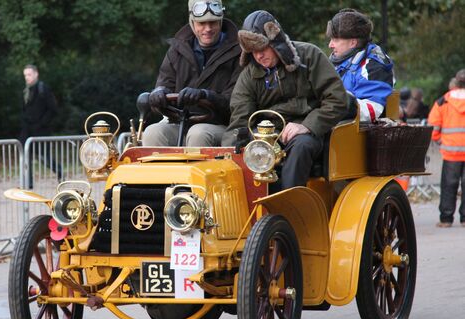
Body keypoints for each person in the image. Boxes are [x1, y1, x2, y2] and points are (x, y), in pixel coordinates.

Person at [225, 10, 348, 189]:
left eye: (262, 48)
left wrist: (307, 125)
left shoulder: (309, 56)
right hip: (266, 135)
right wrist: (240, 145)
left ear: (277, 43)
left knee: (302, 146)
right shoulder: (248, 76)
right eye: (252, 51)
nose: (258, 56)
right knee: (240, 150)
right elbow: (240, 119)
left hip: (308, 130)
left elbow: (337, 99)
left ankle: (290, 207)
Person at [143, 0, 241, 147]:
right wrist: (159, 94)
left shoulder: (239, 52)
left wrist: (206, 95)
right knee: (152, 132)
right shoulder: (176, 50)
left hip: (223, 126)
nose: (207, 28)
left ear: (220, 22)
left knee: (198, 134)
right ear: (192, 23)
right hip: (180, 122)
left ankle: (201, 171)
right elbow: (164, 85)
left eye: (213, 23)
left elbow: (237, 103)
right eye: (202, 23)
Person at [326, 8, 394, 125]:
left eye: (335, 40)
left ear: (353, 43)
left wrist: (338, 101)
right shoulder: (336, 63)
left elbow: (372, 110)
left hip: (351, 132)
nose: (330, 45)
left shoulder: (374, 67)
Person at [428, 69, 465, 228]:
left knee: (449, 185)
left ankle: (446, 219)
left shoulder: (443, 101)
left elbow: (433, 125)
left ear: (455, 83)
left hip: (451, 151)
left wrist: (439, 140)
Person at [19, 64, 62, 186]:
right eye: (25, 75)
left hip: (40, 130)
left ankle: (59, 171)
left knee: (44, 157)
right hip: (27, 130)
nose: (27, 77)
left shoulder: (43, 89)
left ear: (36, 74)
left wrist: (42, 123)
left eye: (29, 74)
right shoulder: (26, 90)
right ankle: (29, 183)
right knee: (25, 155)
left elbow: (53, 109)